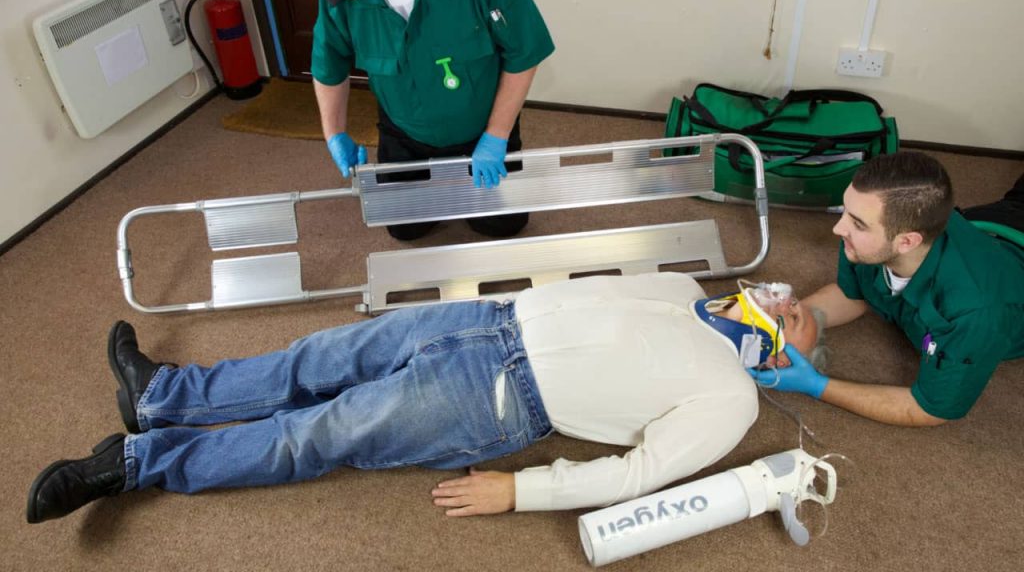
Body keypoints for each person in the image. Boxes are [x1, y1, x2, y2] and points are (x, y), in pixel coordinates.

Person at [26, 273, 823, 524]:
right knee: (315, 357)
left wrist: (522, 490)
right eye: (786, 296)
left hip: (496, 400)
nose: (785, 298)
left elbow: (638, 474)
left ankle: (133, 463)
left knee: (319, 433)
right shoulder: (684, 287)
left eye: (794, 319)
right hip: (483, 319)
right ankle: (162, 395)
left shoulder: (732, 398)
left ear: (776, 352)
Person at [750, 151, 1024, 426]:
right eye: (846, 211)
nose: (838, 228)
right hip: (996, 220)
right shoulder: (872, 240)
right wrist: (783, 322)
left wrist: (816, 385)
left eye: (857, 223)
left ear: (907, 242)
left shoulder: (975, 312)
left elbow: (927, 410)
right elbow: (853, 295)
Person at [312, 0, 555, 241]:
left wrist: (497, 135)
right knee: (404, 229)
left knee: (504, 225)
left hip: (482, 125)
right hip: (404, 129)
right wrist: (334, 133)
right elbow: (328, 62)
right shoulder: (340, 0)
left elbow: (525, 51)